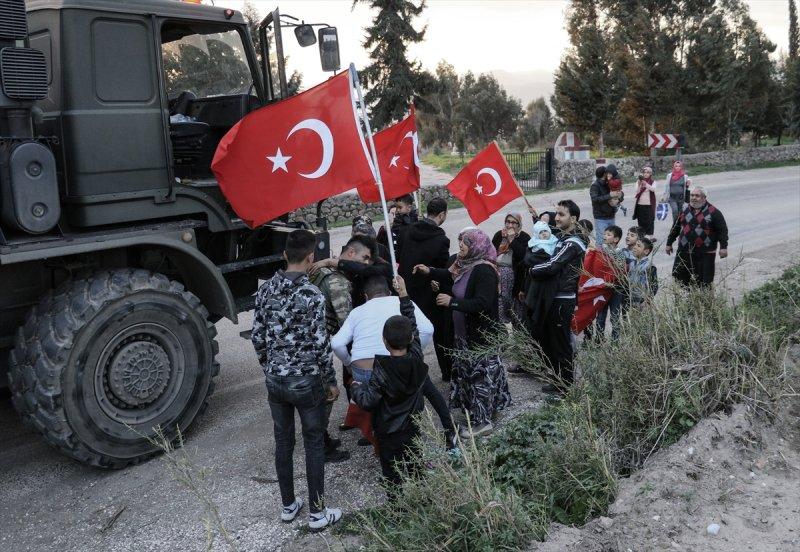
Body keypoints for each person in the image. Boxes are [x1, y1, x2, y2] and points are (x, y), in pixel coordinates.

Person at [250, 229, 342, 531]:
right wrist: (330, 380)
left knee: (283, 441)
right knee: (313, 443)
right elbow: (320, 343)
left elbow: (258, 336)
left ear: (284, 255)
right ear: (311, 258)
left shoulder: (265, 291)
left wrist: (270, 367)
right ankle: (317, 512)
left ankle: (288, 505)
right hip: (306, 380)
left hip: (276, 379)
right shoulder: (312, 295)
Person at [331, 276, 456, 450]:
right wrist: (412, 353)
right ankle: (449, 430)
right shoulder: (401, 302)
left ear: (366, 296)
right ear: (389, 292)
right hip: (400, 359)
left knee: (375, 401)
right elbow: (428, 329)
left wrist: (348, 364)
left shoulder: (357, 311)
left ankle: (376, 436)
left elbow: (336, 343)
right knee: (430, 391)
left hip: (363, 368)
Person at [414, 228, 512, 438]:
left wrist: (453, 302)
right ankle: (481, 411)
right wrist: (429, 271)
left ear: (476, 246)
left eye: (465, 243)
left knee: (480, 378)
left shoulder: (484, 270)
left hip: (481, 337)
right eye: (460, 242)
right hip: (465, 336)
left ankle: (482, 423)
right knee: (471, 377)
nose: (460, 246)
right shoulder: (465, 265)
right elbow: (449, 274)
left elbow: (482, 303)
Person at [350, 275, 429, 497]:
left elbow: (368, 401)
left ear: (384, 341)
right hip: (413, 426)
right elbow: (412, 322)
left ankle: (397, 506)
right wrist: (403, 295)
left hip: (389, 432)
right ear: (411, 338)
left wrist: (356, 387)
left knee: (392, 474)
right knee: (416, 466)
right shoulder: (416, 358)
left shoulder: (382, 370)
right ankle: (424, 501)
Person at [310, 238, 375, 463]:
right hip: (318, 346)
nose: (366, 263)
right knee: (325, 395)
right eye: (364, 258)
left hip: (310, 342)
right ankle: (321, 446)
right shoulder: (338, 282)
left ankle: (322, 439)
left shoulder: (324, 272)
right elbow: (346, 323)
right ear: (350, 253)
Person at [527, 200, 588, 393]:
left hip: (563, 298)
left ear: (573, 218)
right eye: (557, 214)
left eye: (561, 214)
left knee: (561, 342)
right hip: (555, 296)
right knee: (552, 340)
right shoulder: (562, 238)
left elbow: (553, 265)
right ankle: (557, 380)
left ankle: (565, 386)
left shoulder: (573, 243)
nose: (557, 218)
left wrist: (532, 271)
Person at [397, 197, 452, 380]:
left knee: (409, 333)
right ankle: (447, 372)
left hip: (407, 290)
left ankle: (407, 372)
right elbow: (442, 269)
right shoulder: (441, 240)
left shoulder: (408, 230)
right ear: (442, 214)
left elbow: (401, 256)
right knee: (439, 333)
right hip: (430, 292)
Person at [665, 186, 729, 287]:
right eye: (692, 195)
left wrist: (723, 247)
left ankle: (703, 297)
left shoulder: (714, 212)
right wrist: (669, 243)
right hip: (684, 251)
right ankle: (686, 297)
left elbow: (722, 231)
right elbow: (676, 227)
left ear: (704, 198)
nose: (694, 198)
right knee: (680, 280)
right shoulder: (684, 210)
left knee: (704, 283)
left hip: (705, 253)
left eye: (697, 196)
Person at [522, 220, 560, 343]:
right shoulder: (533, 246)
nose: (544, 234)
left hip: (551, 288)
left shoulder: (557, 244)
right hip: (536, 287)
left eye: (545, 231)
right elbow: (529, 261)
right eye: (541, 232)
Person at [491, 212, 531, 325]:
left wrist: (511, 239)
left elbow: (523, 256)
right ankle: (502, 329)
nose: (510, 225)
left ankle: (519, 332)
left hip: (516, 277)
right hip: (498, 276)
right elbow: (491, 253)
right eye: (508, 222)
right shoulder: (499, 235)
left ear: (519, 224)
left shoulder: (524, 237)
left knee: (516, 311)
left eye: (514, 222)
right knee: (499, 308)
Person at [595, 224, 625, 338]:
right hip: (603, 288)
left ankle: (615, 341)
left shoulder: (619, 253)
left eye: (608, 235)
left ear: (616, 239)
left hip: (616, 289)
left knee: (615, 316)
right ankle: (599, 339)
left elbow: (621, 269)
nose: (604, 236)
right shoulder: (599, 250)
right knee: (600, 316)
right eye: (604, 234)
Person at [590, 164, 624, 244]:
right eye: (607, 173)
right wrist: (609, 196)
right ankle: (599, 252)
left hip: (611, 216)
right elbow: (595, 199)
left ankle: (609, 252)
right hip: (600, 217)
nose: (609, 175)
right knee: (601, 240)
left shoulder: (610, 183)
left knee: (611, 240)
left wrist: (619, 198)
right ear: (604, 174)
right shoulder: (595, 186)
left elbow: (619, 193)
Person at [627, 237, 659, 305]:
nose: (634, 247)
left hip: (642, 301)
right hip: (630, 300)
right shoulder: (632, 263)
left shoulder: (649, 266)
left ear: (646, 251)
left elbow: (654, 286)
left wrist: (647, 300)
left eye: (638, 246)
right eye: (635, 245)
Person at [660, 160, 692, 225]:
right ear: (674, 167)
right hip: (672, 198)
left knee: (680, 213)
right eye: (676, 166)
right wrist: (663, 196)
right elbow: (666, 187)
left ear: (681, 167)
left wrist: (688, 182)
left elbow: (687, 186)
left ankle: (679, 225)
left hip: (681, 198)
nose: (677, 167)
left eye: (679, 166)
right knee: (675, 211)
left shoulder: (685, 176)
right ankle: (675, 224)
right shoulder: (669, 176)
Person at [633, 166, 657, 240]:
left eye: (648, 172)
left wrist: (645, 184)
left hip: (649, 205)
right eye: (644, 172)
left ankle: (650, 237)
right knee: (641, 221)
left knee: (650, 220)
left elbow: (653, 189)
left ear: (650, 174)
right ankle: (642, 236)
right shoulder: (638, 181)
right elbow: (636, 191)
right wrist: (639, 184)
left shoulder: (653, 182)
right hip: (640, 204)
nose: (646, 174)